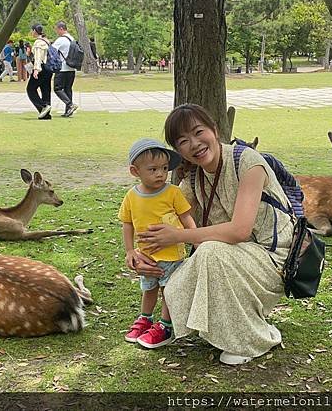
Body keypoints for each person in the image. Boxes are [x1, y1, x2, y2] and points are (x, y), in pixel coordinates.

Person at [133, 104, 293, 365]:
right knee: (177, 278)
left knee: (210, 251)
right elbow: (161, 216)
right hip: (237, 259)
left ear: (214, 129)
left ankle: (255, 339)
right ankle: (228, 327)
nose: (194, 144)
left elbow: (240, 230)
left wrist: (178, 237)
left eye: (199, 132)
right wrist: (138, 254)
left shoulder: (249, 162)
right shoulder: (194, 178)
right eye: (183, 141)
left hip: (275, 260)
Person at [119, 139, 197, 349]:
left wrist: (193, 237)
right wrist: (129, 251)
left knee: (168, 290)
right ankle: (145, 318)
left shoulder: (172, 192)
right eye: (153, 169)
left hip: (171, 255)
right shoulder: (131, 197)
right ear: (135, 171)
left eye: (164, 168)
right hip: (147, 257)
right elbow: (127, 224)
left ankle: (165, 325)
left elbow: (187, 218)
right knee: (149, 288)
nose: (160, 174)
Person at [52, 21, 78, 118]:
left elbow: (52, 50)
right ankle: (68, 110)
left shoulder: (61, 40)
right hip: (72, 68)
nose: (57, 32)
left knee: (57, 88)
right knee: (68, 89)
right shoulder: (72, 39)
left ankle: (70, 105)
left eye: (57, 29)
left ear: (61, 29)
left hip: (62, 68)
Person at [27, 24, 53, 120]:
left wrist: (36, 70)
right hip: (48, 68)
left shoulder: (38, 43)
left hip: (41, 68)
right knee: (46, 90)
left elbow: (38, 57)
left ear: (34, 31)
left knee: (30, 89)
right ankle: (46, 114)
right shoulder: (46, 41)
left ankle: (43, 107)